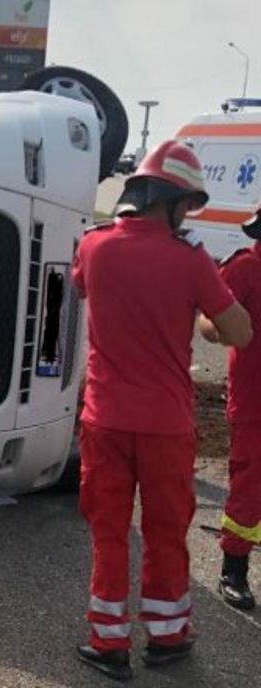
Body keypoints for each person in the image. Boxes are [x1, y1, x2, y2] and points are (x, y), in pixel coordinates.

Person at [71, 140, 252, 680]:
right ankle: (168, 637)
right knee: (165, 534)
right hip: (168, 427)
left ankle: (108, 644)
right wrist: (202, 313)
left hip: (104, 419)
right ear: (171, 201)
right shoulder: (191, 259)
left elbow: (81, 289)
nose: (189, 217)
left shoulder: (94, 246)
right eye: (188, 206)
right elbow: (238, 330)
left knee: (108, 534)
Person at [200, 207, 261, 611]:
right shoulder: (245, 267)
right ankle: (234, 569)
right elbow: (207, 322)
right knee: (249, 487)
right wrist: (226, 325)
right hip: (255, 400)